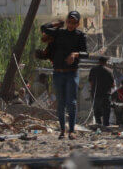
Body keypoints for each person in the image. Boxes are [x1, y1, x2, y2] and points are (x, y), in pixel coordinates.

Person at [35, 11, 89, 139]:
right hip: (58, 72)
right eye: (69, 22)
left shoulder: (80, 35)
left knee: (72, 103)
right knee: (60, 103)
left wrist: (75, 54)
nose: (71, 24)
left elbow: (86, 54)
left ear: (77, 24)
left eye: (74, 22)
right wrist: (57, 24)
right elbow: (44, 28)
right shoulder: (59, 33)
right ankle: (62, 131)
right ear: (67, 21)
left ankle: (72, 131)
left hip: (72, 73)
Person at [88, 56, 115, 128]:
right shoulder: (109, 71)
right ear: (106, 62)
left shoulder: (93, 70)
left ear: (99, 61)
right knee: (106, 110)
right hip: (106, 94)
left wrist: (94, 89)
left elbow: (90, 82)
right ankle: (106, 125)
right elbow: (113, 84)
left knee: (96, 110)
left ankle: (98, 124)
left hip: (95, 93)